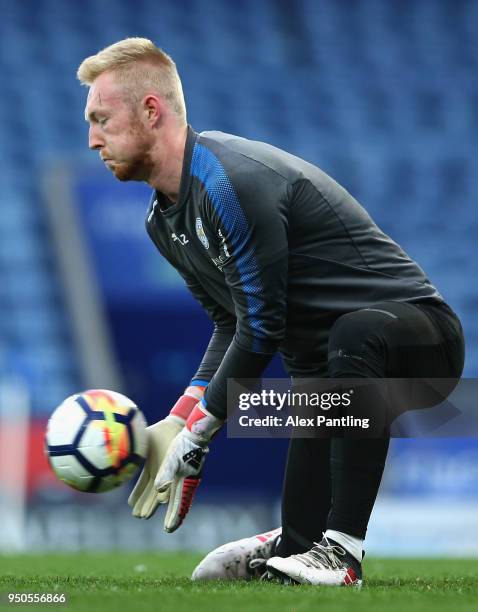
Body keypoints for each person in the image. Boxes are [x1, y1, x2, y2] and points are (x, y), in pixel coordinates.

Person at [77, 38, 465, 587]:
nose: (92, 138)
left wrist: (198, 436)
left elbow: (263, 329)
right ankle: (296, 544)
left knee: (350, 338)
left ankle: (343, 553)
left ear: (150, 110)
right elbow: (230, 322)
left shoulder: (232, 182)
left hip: (419, 341)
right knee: (317, 382)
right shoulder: (161, 221)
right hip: (335, 378)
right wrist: (180, 417)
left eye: (101, 119)